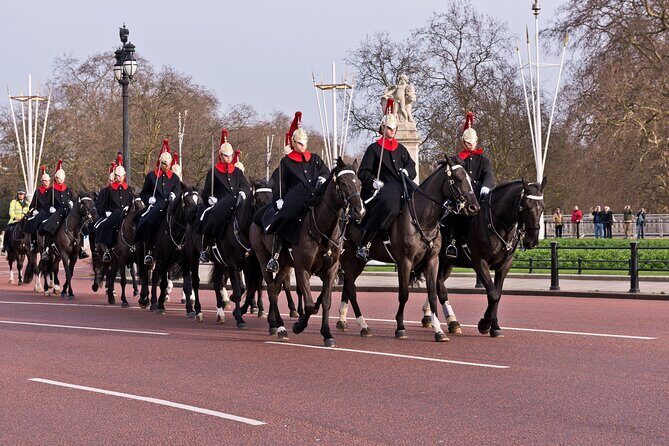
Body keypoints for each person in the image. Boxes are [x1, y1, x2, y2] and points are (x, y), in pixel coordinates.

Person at [262, 111, 329, 272]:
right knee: (283, 217)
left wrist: (323, 179)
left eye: (304, 142)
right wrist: (278, 198)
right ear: (293, 143)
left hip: (314, 195)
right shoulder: (286, 162)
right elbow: (280, 183)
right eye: (300, 143)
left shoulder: (315, 159)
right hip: (295, 197)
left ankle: (334, 252)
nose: (303, 145)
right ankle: (275, 255)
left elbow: (325, 172)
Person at [356, 98, 418, 261]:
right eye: (390, 128)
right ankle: (366, 244)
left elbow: (411, 166)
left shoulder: (401, 149)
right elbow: (363, 172)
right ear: (383, 129)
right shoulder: (374, 149)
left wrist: (407, 171)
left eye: (394, 128)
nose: (393, 131)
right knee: (389, 200)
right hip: (381, 188)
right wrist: (372, 181)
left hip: (402, 185)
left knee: (420, 198)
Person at [442, 111, 495, 259]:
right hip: (461, 196)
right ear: (463, 143)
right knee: (453, 217)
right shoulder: (457, 159)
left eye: (473, 143)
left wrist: (486, 186)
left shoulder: (484, 160)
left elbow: (489, 175)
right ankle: (452, 243)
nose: (471, 146)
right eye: (468, 143)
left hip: (479, 195)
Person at [196, 129, 251, 263]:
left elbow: (245, 186)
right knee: (210, 217)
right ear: (220, 155)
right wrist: (210, 199)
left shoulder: (237, 171)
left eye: (230, 155)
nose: (229, 158)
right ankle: (206, 248)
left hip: (237, 202)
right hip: (220, 203)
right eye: (226, 156)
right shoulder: (214, 172)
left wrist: (243, 193)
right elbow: (207, 191)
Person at [135, 139, 182, 266]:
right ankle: (149, 250)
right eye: (164, 164)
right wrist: (149, 199)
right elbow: (144, 193)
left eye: (167, 164)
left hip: (171, 206)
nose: (166, 166)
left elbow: (178, 192)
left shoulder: (175, 178)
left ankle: (180, 247)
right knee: (148, 222)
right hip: (156, 205)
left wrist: (174, 195)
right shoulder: (151, 176)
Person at [96, 153, 134, 263]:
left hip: (127, 212)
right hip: (114, 212)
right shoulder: (109, 190)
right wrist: (105, 212)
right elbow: (103, 204)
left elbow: (131, 201)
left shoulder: (129, 189)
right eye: (117, 175)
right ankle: (107, 250)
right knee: (106, 226)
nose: (118, 177)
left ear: (124, 176)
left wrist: (129, 207)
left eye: (120, 176)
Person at [39, 160, 75, 254]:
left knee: (78, 224)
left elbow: (73, 200)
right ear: (56, 178)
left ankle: (80, 248)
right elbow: (46, 204)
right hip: (57, 212)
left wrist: (72, 203)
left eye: (62, 178)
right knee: (50, 225)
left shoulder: (68, 190)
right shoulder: (51, 190)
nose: (60, 180)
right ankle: (46, 249)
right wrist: (50, 208)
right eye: (59, 178)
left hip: (68, 211)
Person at [26, 166, 52, 251]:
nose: (45, 182)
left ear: (49, 181)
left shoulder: (53, 190)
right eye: (44, 181)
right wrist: (33, 210)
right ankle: (33, 242)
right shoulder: (38, 191)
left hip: (51, 210)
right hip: (40, 211)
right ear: (42, 182)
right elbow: (33, 203)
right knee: (32, 221)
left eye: (47, 180)